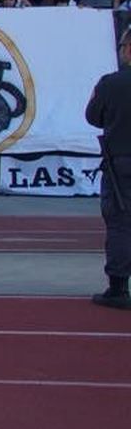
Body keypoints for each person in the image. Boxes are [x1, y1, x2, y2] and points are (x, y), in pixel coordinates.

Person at [84, 31, 131, 310]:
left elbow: (93, 116)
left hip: (122, 160)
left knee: (120, 223)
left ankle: (118, 287)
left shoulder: (111, 83)